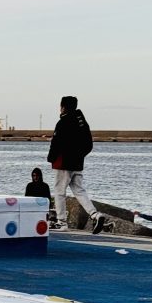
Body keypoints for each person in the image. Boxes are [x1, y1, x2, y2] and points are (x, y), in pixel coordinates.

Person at [47, 96, 106, 233]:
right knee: (79, 190)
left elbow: (56, 143)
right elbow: (89, 145)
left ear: (63, 107)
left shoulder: (63, 122)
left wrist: (51, 158)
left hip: (63, 163)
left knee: (59, 192)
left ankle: (61, 222)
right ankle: (94, 214)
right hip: (77, 163)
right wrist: (79, 156)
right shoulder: (83, 123)